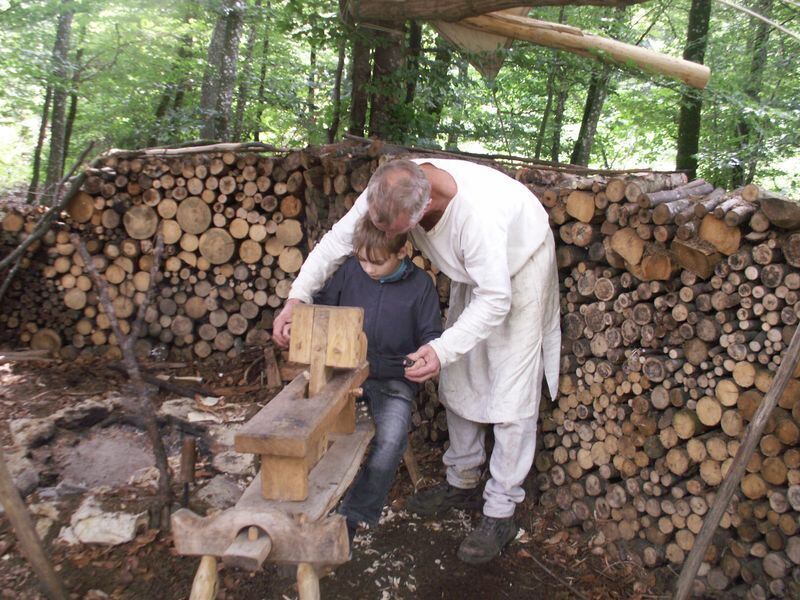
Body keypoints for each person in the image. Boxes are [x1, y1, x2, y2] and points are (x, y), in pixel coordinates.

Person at [273, 157, 560, 565]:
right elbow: (339, 241)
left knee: (511, 393)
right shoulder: (389, 191)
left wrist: (439, 349)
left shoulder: (478, 217)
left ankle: (501, 511)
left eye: (392, 235)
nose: (381, 240)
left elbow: (496, 297)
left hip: (519, 267)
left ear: (420, 215)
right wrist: (297, 298)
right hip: (477, 273)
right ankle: (461, 478)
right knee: (459, 375)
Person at [310, 215, 443, 545]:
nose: (367, 269)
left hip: (392, 378)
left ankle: (351, 518)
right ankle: (305, 506)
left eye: (377, 262)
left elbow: (431, 336)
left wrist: (425, 357)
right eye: (362, 260)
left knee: (392, 438)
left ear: (403, 251)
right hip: (345, 369)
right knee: (308, 425)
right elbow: (324, 309)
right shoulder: (350, 270)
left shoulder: (421, 286)